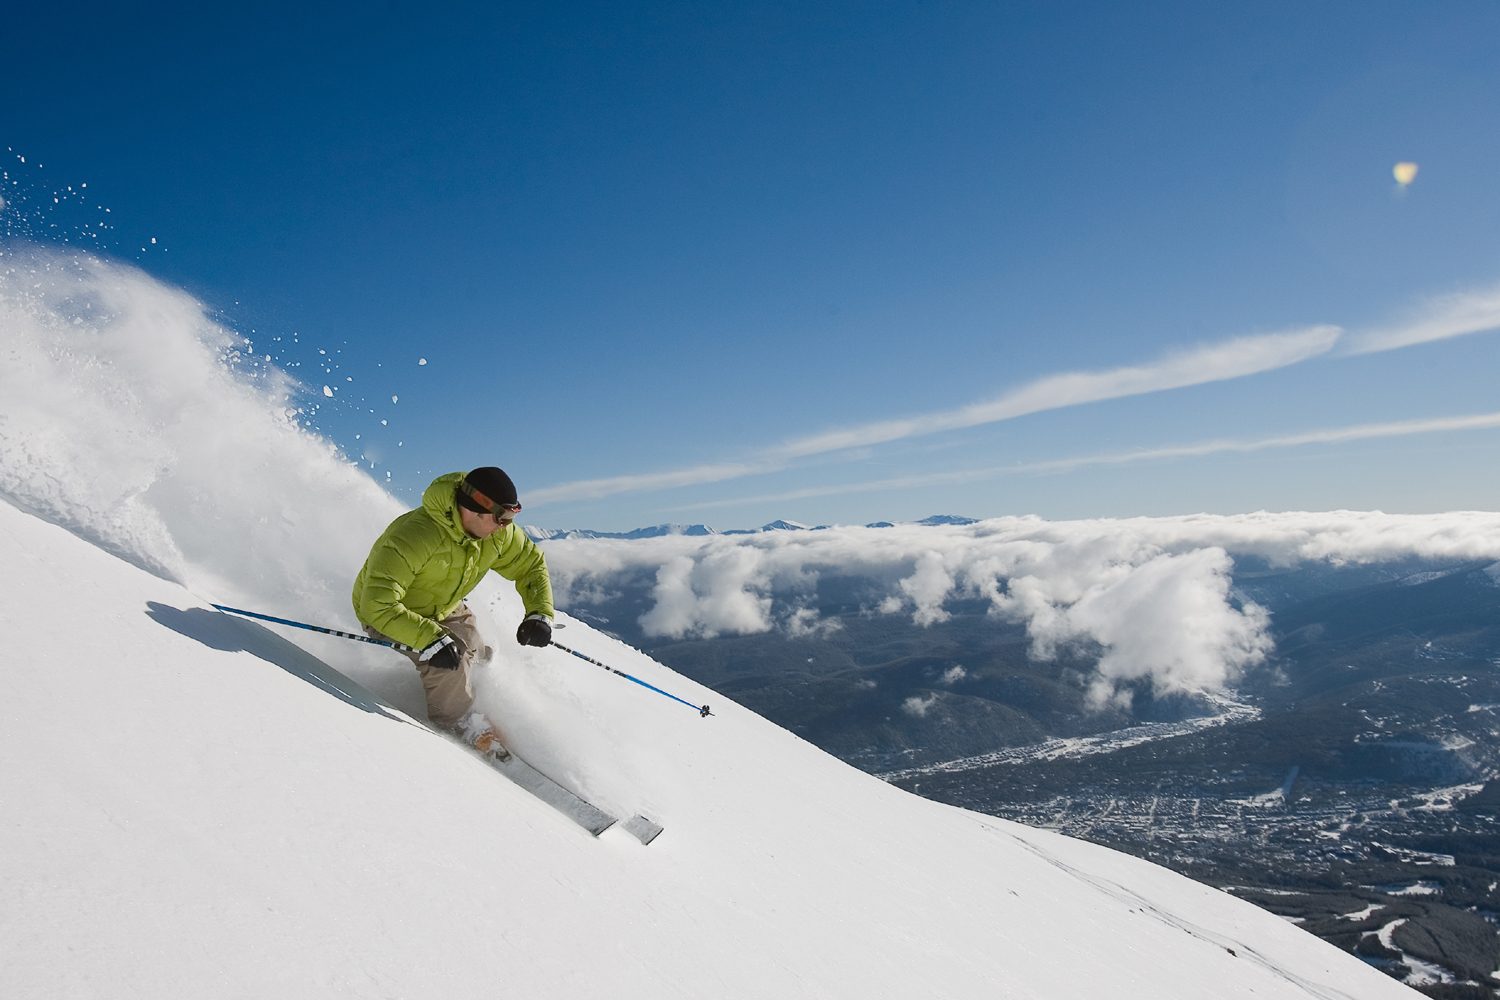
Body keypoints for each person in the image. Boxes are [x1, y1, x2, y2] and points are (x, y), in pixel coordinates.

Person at [352, 467, 554, 758]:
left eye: (511, 519)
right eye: (501, 518)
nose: (505, 526)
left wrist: (539, 613)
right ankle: (460, 723)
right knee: (450, 662)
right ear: (473, 511)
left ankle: (474, 695)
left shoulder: (497, 535)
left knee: (475, 650)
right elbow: (378, 605)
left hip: (445, 606)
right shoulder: (413, 536)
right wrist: (429, 639)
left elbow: (531, 565)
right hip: (391, 614)